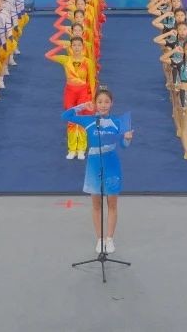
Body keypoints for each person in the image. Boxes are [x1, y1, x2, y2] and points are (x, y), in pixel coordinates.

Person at [62, 90, 134, 256]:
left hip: (112, 165)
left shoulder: (117, 122)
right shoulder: (88, 120)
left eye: (106, 102)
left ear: (111, 103)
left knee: (112, 204)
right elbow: (65, 116)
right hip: (94, 166)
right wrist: (82, 106)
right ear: (95, 103)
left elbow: (124, 146)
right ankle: (100, 239)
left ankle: (109, 239)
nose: (103, 105)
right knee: (96, 204)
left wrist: (127, 139)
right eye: (99, 102)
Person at [46, 35, 95, 160]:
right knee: (71, 120)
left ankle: (81, 149)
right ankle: (72, 149)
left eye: (79, 45)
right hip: (70, 93)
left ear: (83, 47)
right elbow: (48, 55)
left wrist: (93, 98)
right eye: (74, 45)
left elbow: (92, 81)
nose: (77, 47)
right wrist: (61, 47)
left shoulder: (88, 62)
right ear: (71, 47)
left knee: (82, 119)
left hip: (83, 92)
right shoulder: (65, 59)